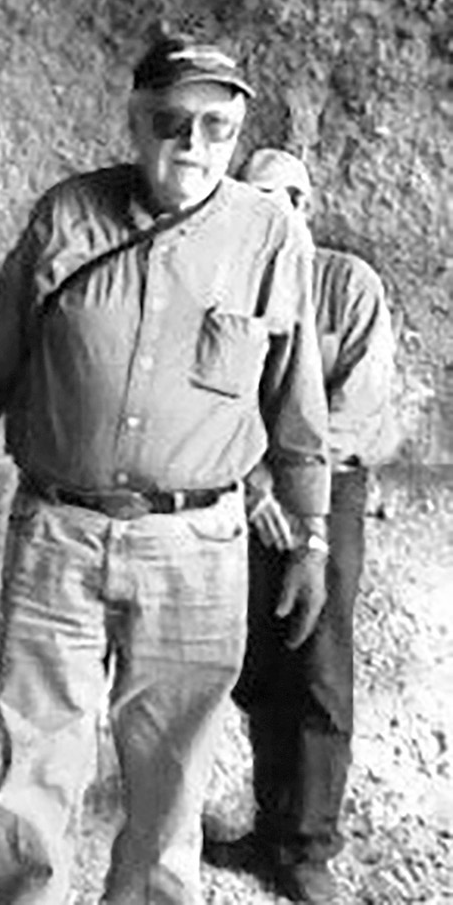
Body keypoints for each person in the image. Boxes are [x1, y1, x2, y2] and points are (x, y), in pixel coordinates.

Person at [0, 30, 332, 905]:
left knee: (173, 766)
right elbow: (1, 345)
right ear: (136, 124)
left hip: (197, 545)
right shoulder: (68, 214)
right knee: (38, 757)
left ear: (238, 129)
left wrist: (314, 536)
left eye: (216, 126)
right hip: (58, 531)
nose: (193, 146)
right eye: (170, 122)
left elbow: (298, 400)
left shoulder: (270, 237)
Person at [209, 150, 399, 904]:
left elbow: (360, 402)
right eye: (255, 197)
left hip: (329, 492)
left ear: (306, 204)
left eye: (284, 197)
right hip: (246, 491)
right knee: (261, 663)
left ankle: (309, 846)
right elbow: (216, 397)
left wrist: (300, 493)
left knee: (319, 662)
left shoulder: (347, 284)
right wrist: (254, 478)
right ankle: (267, 826)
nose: (272, 211)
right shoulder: (229, 281)